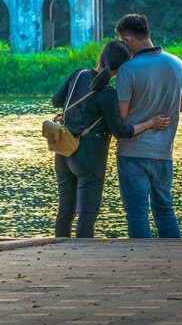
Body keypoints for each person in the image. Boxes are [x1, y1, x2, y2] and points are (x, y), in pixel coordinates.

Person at [51, 40, 170, 238]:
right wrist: (151, 123)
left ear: (102, 55)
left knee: (65, 211)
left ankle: (60, 256)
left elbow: (56, 101)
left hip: (64, 152)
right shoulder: (107, 93)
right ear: (122, 67)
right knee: (87, 215)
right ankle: (83, 257)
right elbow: (120, 131)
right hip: (89, 158)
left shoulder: (78, 74)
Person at [115, 13, 182, 238]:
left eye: (120, 39)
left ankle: (141, 262)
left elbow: (122, 117)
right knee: (165, 209)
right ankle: (175, 260)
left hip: (132, 152)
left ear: (127, 39)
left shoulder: (128, 70)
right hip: (164, 152)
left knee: (137, 212)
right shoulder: (178, 64)